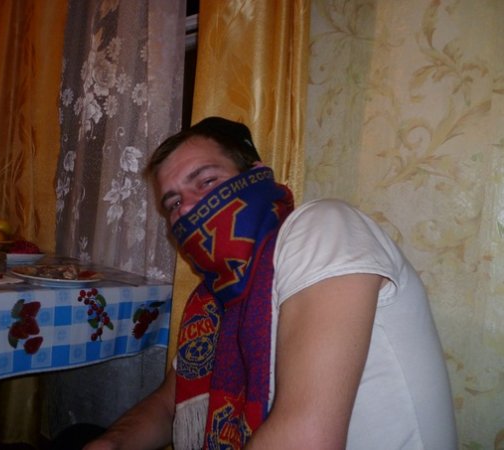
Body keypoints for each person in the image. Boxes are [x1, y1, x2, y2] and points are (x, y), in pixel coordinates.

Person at [74, 117, 458, 449]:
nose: (188, 209)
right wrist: (111, 443)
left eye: (206, 181)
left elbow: (306, 437)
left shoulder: (324, 228)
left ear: (255, 174)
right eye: (173, 203)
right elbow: (167, 404)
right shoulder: (216, 295)